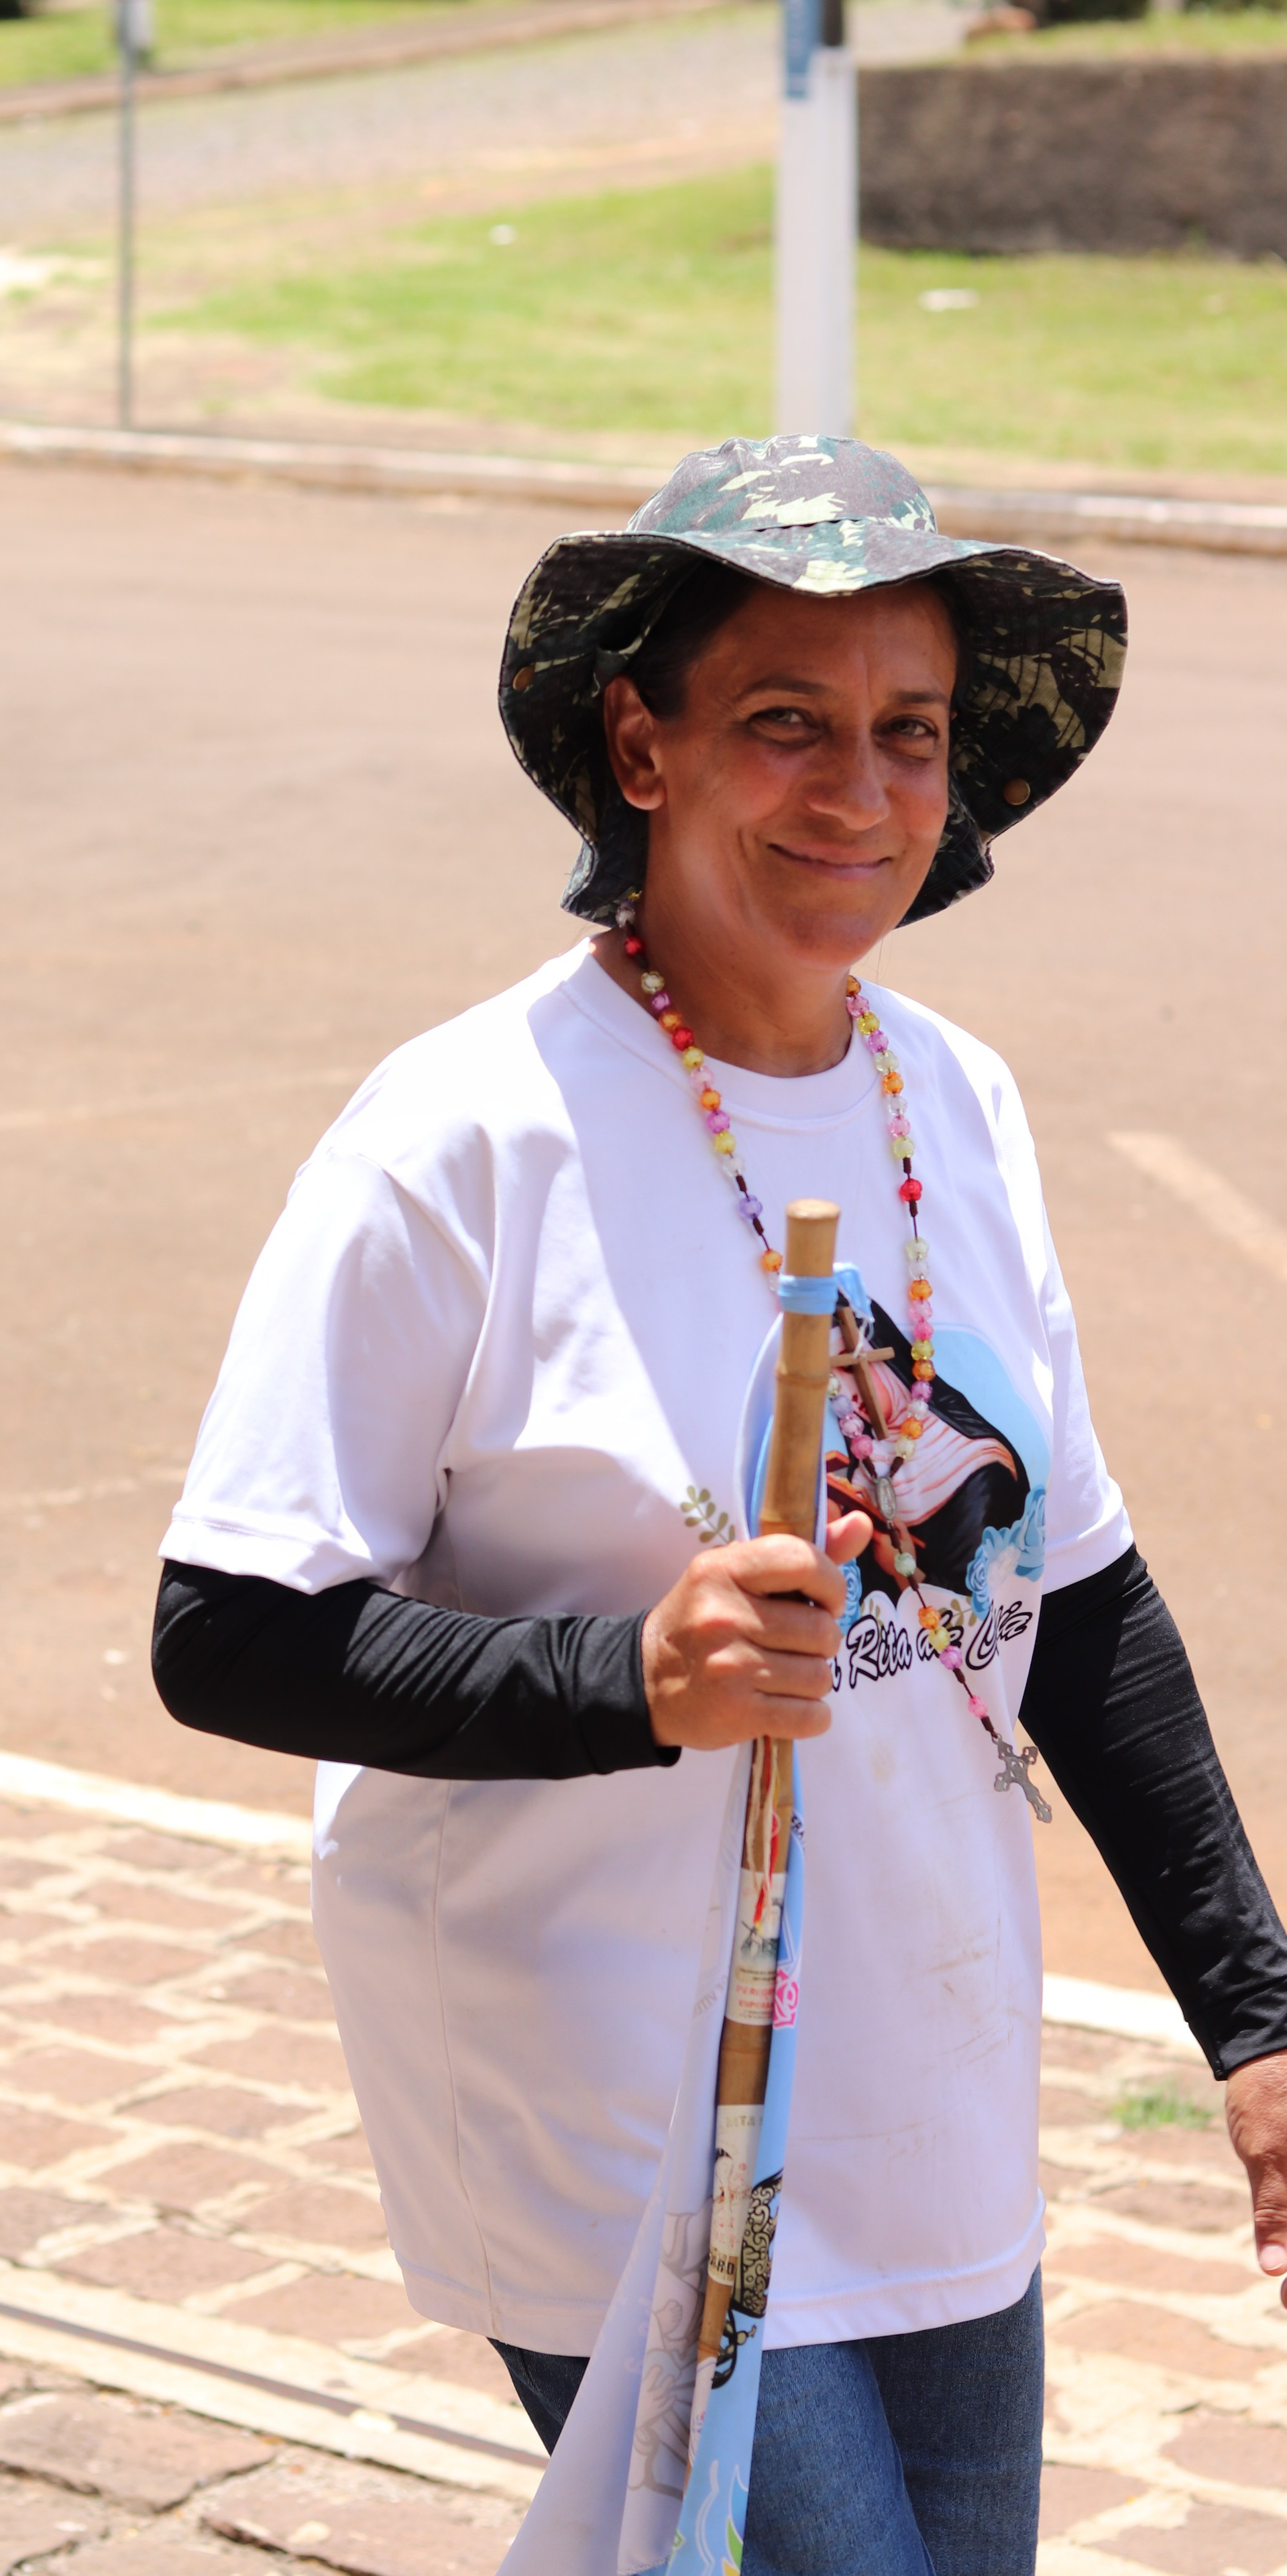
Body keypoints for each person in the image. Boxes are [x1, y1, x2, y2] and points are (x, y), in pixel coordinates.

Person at [152, 435, 1287, 2574]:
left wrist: (1257, 2010)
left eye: (909, 732)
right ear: (638, 744)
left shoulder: (958, 1099)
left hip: (922, 2054)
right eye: (785, 722)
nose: (856, 790)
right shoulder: (465, 1139)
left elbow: (1089, 1593)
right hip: (609, 2089)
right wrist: (628, 1674)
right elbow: (226, 1627)